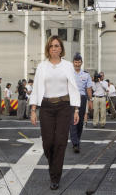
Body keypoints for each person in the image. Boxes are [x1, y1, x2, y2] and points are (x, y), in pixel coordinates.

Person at [30, 35, 80, 190]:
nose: (54, 48)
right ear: (48, 48)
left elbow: (73, 86)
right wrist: (33, 109)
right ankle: (54, 167)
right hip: (45, 107)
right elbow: (37, 87)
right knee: (48, 143)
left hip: (64, 106)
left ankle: (55, 176)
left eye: (57, 46)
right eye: (51, 46)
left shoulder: (67, 66)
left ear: (61, 48)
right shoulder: (41, 66)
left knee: (60, 142)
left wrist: (76, 109)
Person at [70, 52, 93, 153]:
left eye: (79, 62)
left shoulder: (86, 75)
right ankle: (75, 143)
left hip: (82, 98)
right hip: (71, 99)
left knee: (79, 122)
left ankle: (77, 139)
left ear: (81, 62)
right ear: (73, 62)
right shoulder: (69, 73)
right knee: (72, 122)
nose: (77, 64)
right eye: (75, 62)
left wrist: (90, 100)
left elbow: (88, 88)